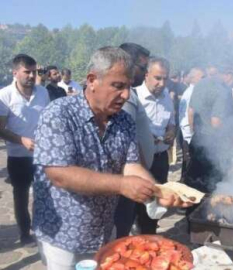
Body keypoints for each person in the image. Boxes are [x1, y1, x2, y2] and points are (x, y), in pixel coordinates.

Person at [32, 47, 190, 270]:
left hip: (105, 231)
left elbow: (131, 164)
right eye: (118, 86)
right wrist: (122, 185)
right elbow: (59, 174)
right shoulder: (59, 114)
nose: (126, 95)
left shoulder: (123, 120)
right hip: (63, 238)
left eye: (128, 87)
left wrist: (156, 191)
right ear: (92, 80)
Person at [0, 54, 50, 245]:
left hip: (42, 154)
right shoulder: (4, 95)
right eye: (27, 72)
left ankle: (41, 229)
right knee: (20, 196)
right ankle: (24, 232)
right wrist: (22, 140)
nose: (31, 76)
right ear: (15, 73)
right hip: (18, 156)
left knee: (43, 194)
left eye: (34, 72)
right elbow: (0, 129)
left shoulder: (42, 93)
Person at [113, 42, 155, 238]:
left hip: (131, 174)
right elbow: (127, 139)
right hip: (127, 177)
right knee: (121, 228)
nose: (146, 72)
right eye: (142, 67)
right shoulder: (126, 96)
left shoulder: (131, 93)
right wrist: (146, 176)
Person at [185, 64, 233, 199]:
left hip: (198, 140)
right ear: (227, 75)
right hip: (214, 145)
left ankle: (191, 215)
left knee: (195, 181)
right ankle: (207, 214)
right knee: (212, 185)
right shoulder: (223, 90)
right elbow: (216, 122)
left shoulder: (199, 84)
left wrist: (194, 135)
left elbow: (190, 112)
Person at [136, 57, 176, 234]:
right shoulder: (134, 96)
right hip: (140, 161)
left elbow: (171, 121)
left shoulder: (166, 95)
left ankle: (151, 234)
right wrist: (145, 137)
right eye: (157, 78)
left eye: (165, 78)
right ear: (146, 75)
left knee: (158, 199)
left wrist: (171, 131)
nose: (162, 83)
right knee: (139, 203)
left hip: (160, 158)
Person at [178, 67, 205, 181]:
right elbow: (190, 113)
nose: (205, 80)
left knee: (187, 165)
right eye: (202, 77)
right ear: (194, 78)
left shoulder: (192, 90)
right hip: (188, 134)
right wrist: (194, 134)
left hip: (186, 133)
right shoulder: (193, 92)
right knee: (189, 166)